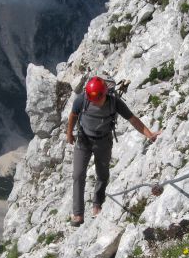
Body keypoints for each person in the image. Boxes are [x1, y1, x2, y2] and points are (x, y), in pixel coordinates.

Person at [66, 76, 161, 226]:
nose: (93, 102)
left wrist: (149, 134)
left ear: (104, 94)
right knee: (78, 174)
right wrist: (69, 133)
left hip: (103, 141)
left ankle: (97, 204)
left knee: (102, 174)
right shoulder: (82, 99)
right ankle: (78, 214)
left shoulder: (114, 102)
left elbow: (133, 119)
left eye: (96, 99)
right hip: (84, 139)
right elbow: (73, 115)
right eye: (91, 99)